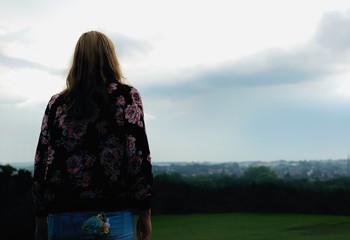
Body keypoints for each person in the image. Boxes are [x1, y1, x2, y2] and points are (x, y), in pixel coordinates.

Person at [32, 31, 153, 240]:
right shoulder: (126, 97)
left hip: (62, 216)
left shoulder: (57, 104)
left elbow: (42, 160)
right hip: (112, 217)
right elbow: (138, 156)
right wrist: (145, 211)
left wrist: (40, 218)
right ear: (110, 58)